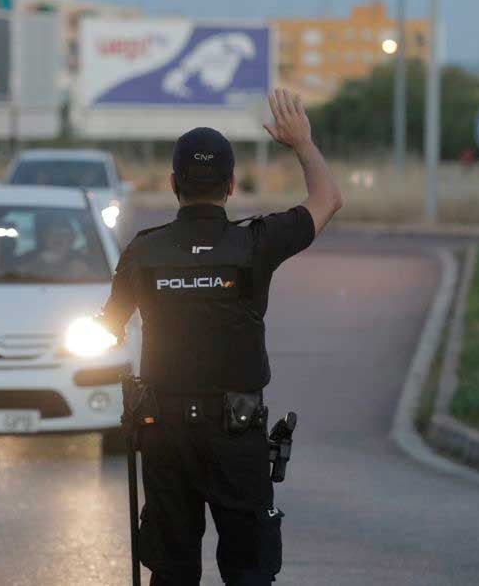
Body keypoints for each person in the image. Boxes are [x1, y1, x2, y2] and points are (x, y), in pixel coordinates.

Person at [98, 88, 342, 585]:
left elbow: (107, 329)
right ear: (231, 185)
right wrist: (303, 144)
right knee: (249, 572)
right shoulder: (256, 242)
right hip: (238, 435)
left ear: (173, 183)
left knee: (172, 571)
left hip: (165, 434)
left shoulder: (143, 253)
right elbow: (327, 200)